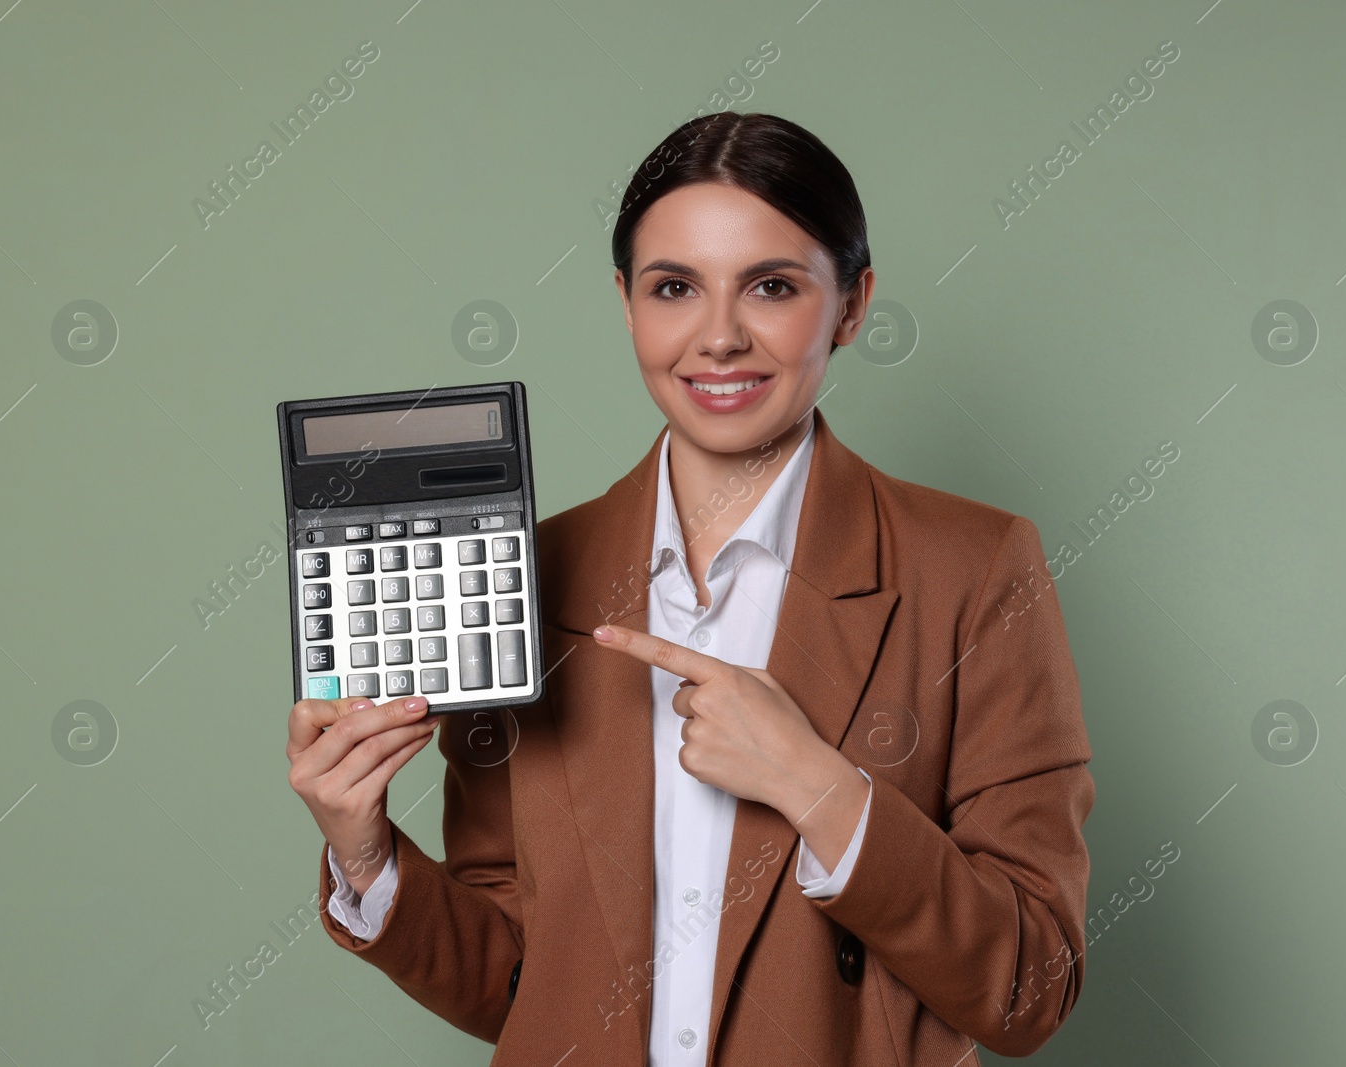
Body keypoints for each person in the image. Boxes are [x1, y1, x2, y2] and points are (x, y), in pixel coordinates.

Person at [286, 111, 1094, 1066]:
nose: (719, 337)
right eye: (676, 288)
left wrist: (819, 787)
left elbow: (1029, 985)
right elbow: (519, 982)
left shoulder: (976, 568)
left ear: (850, 303)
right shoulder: (526, 580)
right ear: (627, 303)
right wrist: (366, 853)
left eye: (772, 287)